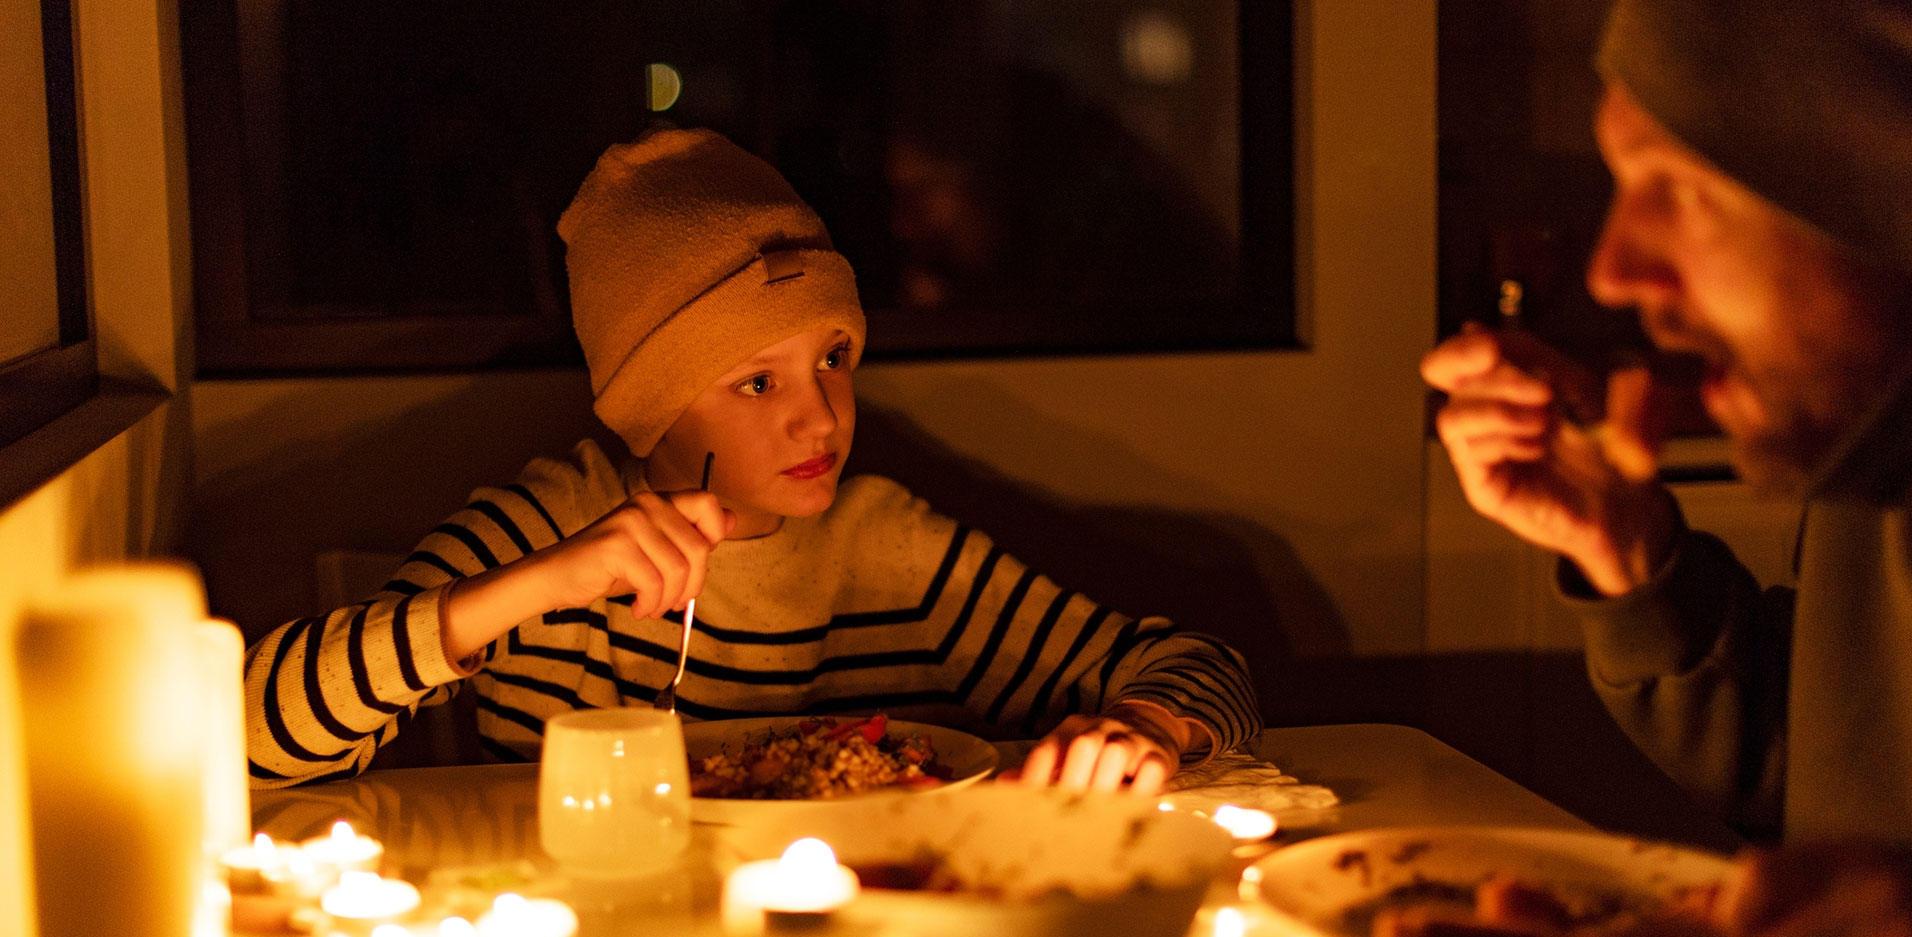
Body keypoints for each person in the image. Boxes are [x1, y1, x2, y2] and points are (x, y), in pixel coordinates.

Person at [245, 127, 1260, 798]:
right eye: (756, 384)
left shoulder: (886, 550)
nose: (818, 418)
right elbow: (251, 732)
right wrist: (527, 591)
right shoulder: (547, 528)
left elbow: (1201, 668)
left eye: (832, 360)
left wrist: (1144, 727)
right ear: (654, 407)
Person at [1423, 0, 1912, 937]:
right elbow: (1838, 768)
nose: (1611, 272)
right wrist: (1633, 554)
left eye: (1682, 188)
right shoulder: (1874, 454)